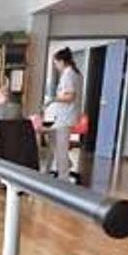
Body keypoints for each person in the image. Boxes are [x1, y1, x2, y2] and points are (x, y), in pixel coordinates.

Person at [44, 48, 82, 182]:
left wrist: (53, 99)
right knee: (54, 143)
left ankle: (63, 179)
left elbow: (70, 96)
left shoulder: (69, 74)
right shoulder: (72, 73)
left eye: (56, 63)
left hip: (64, 118)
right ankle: (67, 164)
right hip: (62, 117)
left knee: (61, 149)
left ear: (62, 61)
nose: (56, 66)